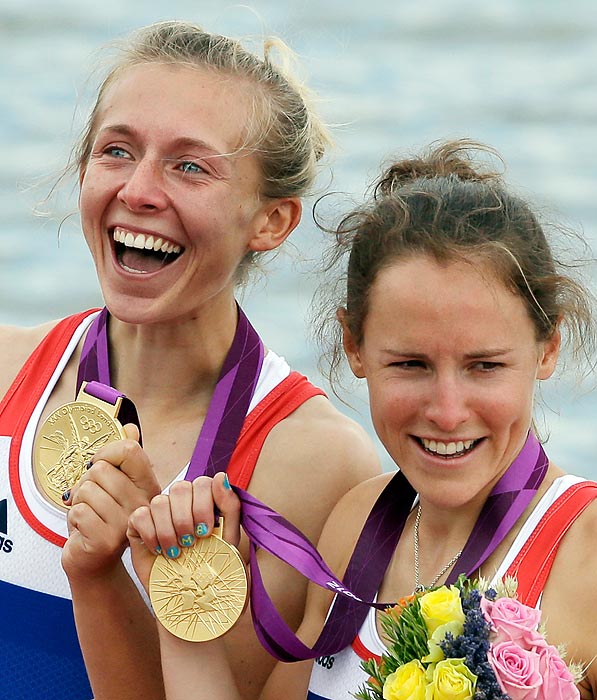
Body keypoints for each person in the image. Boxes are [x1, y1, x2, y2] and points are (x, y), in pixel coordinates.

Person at [127, 139, 597, 699]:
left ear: (547, 348)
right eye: (410, 364)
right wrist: (186, 609)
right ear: (354, 346)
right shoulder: (357, 525)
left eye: (485, 366)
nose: (447, 410)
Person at [0, 20, 381, 700]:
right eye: (116, 150)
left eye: (190, 166)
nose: (140, 190)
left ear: (272, 222)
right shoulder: (5, 369)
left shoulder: (314, 464)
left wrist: (118, 577)